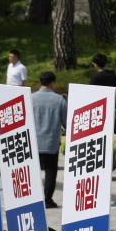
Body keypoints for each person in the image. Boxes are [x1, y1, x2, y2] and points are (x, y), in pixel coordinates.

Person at [31, 71, 67, 208]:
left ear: (40, 83)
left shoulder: (30, 98)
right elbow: (66, 121)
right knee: (51, 171)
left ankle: (33, 198)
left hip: (34, 142)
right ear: (52, 83)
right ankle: (47, 199)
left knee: (34, 171)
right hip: (51, 142)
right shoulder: (59, 100)